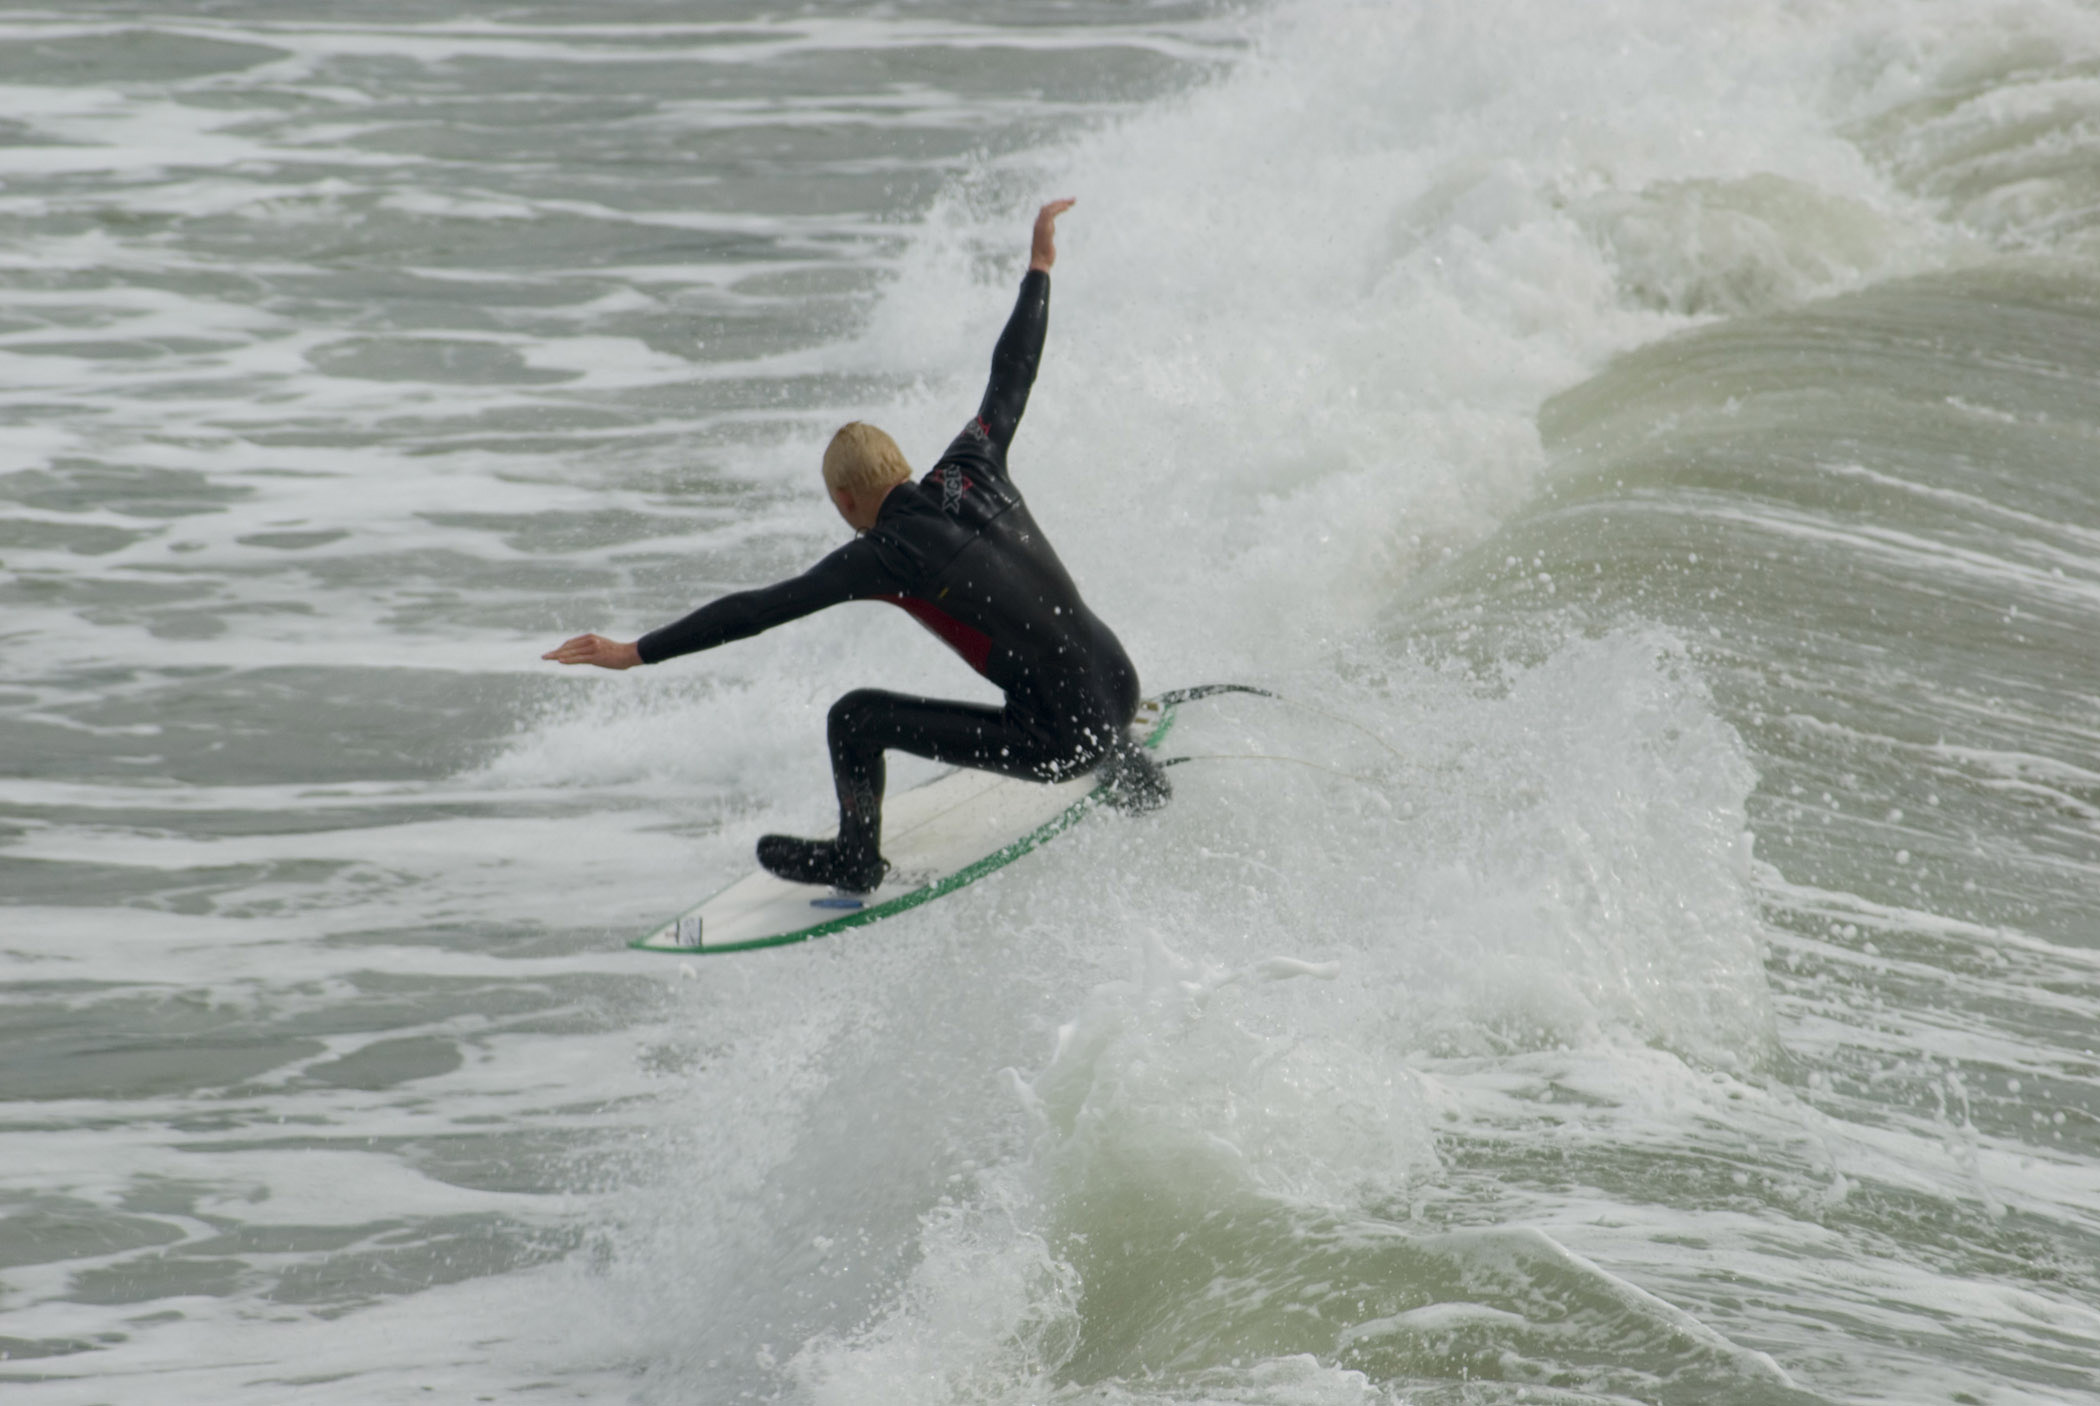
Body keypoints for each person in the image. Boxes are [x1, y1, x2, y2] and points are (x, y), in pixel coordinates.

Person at [543, 199, 1166, 892]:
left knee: (855, 718)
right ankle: (1130, 765)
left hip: (1059, 741)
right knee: (1054, 657)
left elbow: (758, 608)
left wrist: (636, 652)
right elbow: (1011, 374)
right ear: (899, 463)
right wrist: (1039, 268)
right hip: (1120, 681)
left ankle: (856, 858)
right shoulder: (972, 465)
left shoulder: (883, 555)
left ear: (845, 501)